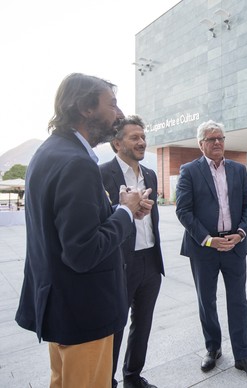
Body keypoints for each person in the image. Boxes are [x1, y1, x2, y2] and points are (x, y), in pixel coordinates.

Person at [15, 73, 153, 387]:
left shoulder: (49, 153)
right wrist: (126, 212)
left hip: (63, 310)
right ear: (85, 108)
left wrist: (116, 209)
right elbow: (83, 251)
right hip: (85, 313)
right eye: (112, 104)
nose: (118, 114)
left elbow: (70, 229)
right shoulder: (77, 163)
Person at [175, 120, 247, 381]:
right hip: (204, 248)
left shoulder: (238, 169)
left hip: (234, 245)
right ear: (201, 143)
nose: (217, 143)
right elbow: (183, 210)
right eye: (211, 139)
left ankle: (243, 355)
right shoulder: (189, 171)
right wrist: (208, 239)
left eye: (221, 138)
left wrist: (241, 233)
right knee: (207, 300)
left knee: (239, 301)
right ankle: (213, 348)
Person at [100, 115, 165, 388]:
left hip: (150, 260)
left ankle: (133, 377)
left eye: (143, 137)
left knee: (143, 324)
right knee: (115, 326)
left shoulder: (149, 174)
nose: (142, 142)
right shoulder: (102, 174)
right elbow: (99, 222)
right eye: (134, 137)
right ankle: (107, 381)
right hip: (120, 263)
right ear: (117, 143)